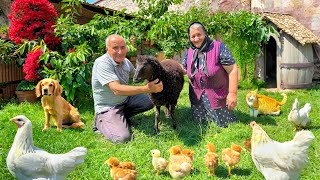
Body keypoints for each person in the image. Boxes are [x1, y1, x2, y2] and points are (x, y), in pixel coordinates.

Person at [91, 34, 163, 143]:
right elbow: (117, 89)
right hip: (108, 107)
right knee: (122, 138)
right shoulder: (102, 63)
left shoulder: (125, 62)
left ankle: (121, 117)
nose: (120, 51)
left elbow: (138, 76)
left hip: (125, 101)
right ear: (107, 49)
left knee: (152, 99)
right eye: (115, 48)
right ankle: (100, 121)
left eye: (123, 47)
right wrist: (147, 88)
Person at [182, 22, 239, 127]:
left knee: (223, 125)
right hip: (197, 99)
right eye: (193, 36)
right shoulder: (190, 51)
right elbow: (184, 69)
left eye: (199, 35)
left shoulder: (219, 48)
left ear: (205, 34)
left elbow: (233, 69)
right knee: (200, 125)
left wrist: (232, 93)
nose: (196, 39)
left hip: (217, 96)